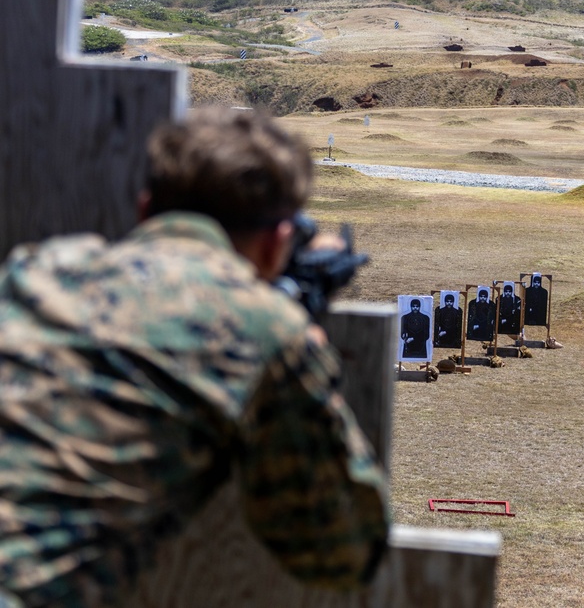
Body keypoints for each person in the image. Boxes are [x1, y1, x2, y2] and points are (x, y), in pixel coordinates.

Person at [0, 108, 389, 608]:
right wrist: (301, 346)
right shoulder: (267, 330)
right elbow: (344, 554)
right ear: (278, 241)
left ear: (145, 210)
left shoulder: (39, 270)